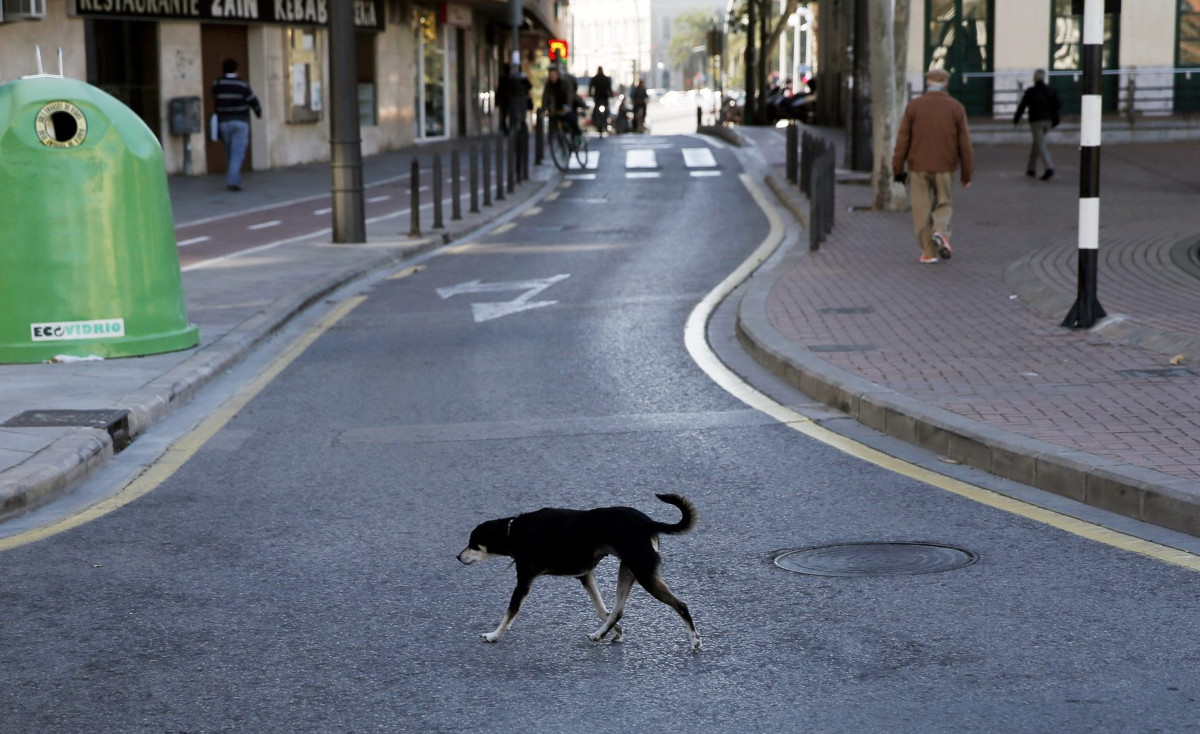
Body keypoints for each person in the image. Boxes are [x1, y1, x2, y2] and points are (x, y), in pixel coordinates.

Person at [892, 67, 974, 264]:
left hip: (917, 166)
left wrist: (898, 169)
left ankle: (928, 252)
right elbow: (965, 143)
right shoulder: (955, 107)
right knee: (943, 202)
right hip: (945, 165)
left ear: (927, 83)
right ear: (945, 84)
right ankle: (940, 230)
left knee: (921, 209)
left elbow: (902, 140)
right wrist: (967, 173)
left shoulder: (914, 106)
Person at [211, 58, 262, 192]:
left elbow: (214, 96)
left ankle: (234, 178)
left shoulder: (218, 83)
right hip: (240, 121)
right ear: (236, 69)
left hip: (224, 122)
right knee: (237, 153)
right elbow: (253, 100)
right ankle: (233, 181)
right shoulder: (242, 85)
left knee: (230, 152)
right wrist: (258, 113)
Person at [1013, 69, 1061, 181]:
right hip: (1048, 121)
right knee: (1037, 143)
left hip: (1036, 121)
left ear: (1035, 78)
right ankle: (1031, 168)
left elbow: (1022, 106)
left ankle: (1049, 167)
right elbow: (1058, 105)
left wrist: (1016, 119)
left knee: (1040, 144)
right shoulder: (1051, 90)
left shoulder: (1031, 92)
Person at [541, 65, 582, 144]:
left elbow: (569, 95)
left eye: (554, 75)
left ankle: (578, 135)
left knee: (572, 119)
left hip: (569, 104)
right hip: (556, 107)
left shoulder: (565, 81)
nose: (553, 78)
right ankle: (563, 147)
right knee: (556, 125)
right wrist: (544, 109)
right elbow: (545, 97)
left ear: (558, 75)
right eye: (551, 76)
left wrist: (568, 107)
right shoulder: (548, 85)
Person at [588, 66, 613, 133]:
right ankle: (597, 121)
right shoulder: (604, 78)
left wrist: (610, 94)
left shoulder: (596, 78)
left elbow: (609, 88)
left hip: (601, 97)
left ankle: (602, 121)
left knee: (605, 110)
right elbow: (591, 87)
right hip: (600, 98)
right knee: (597, 110)